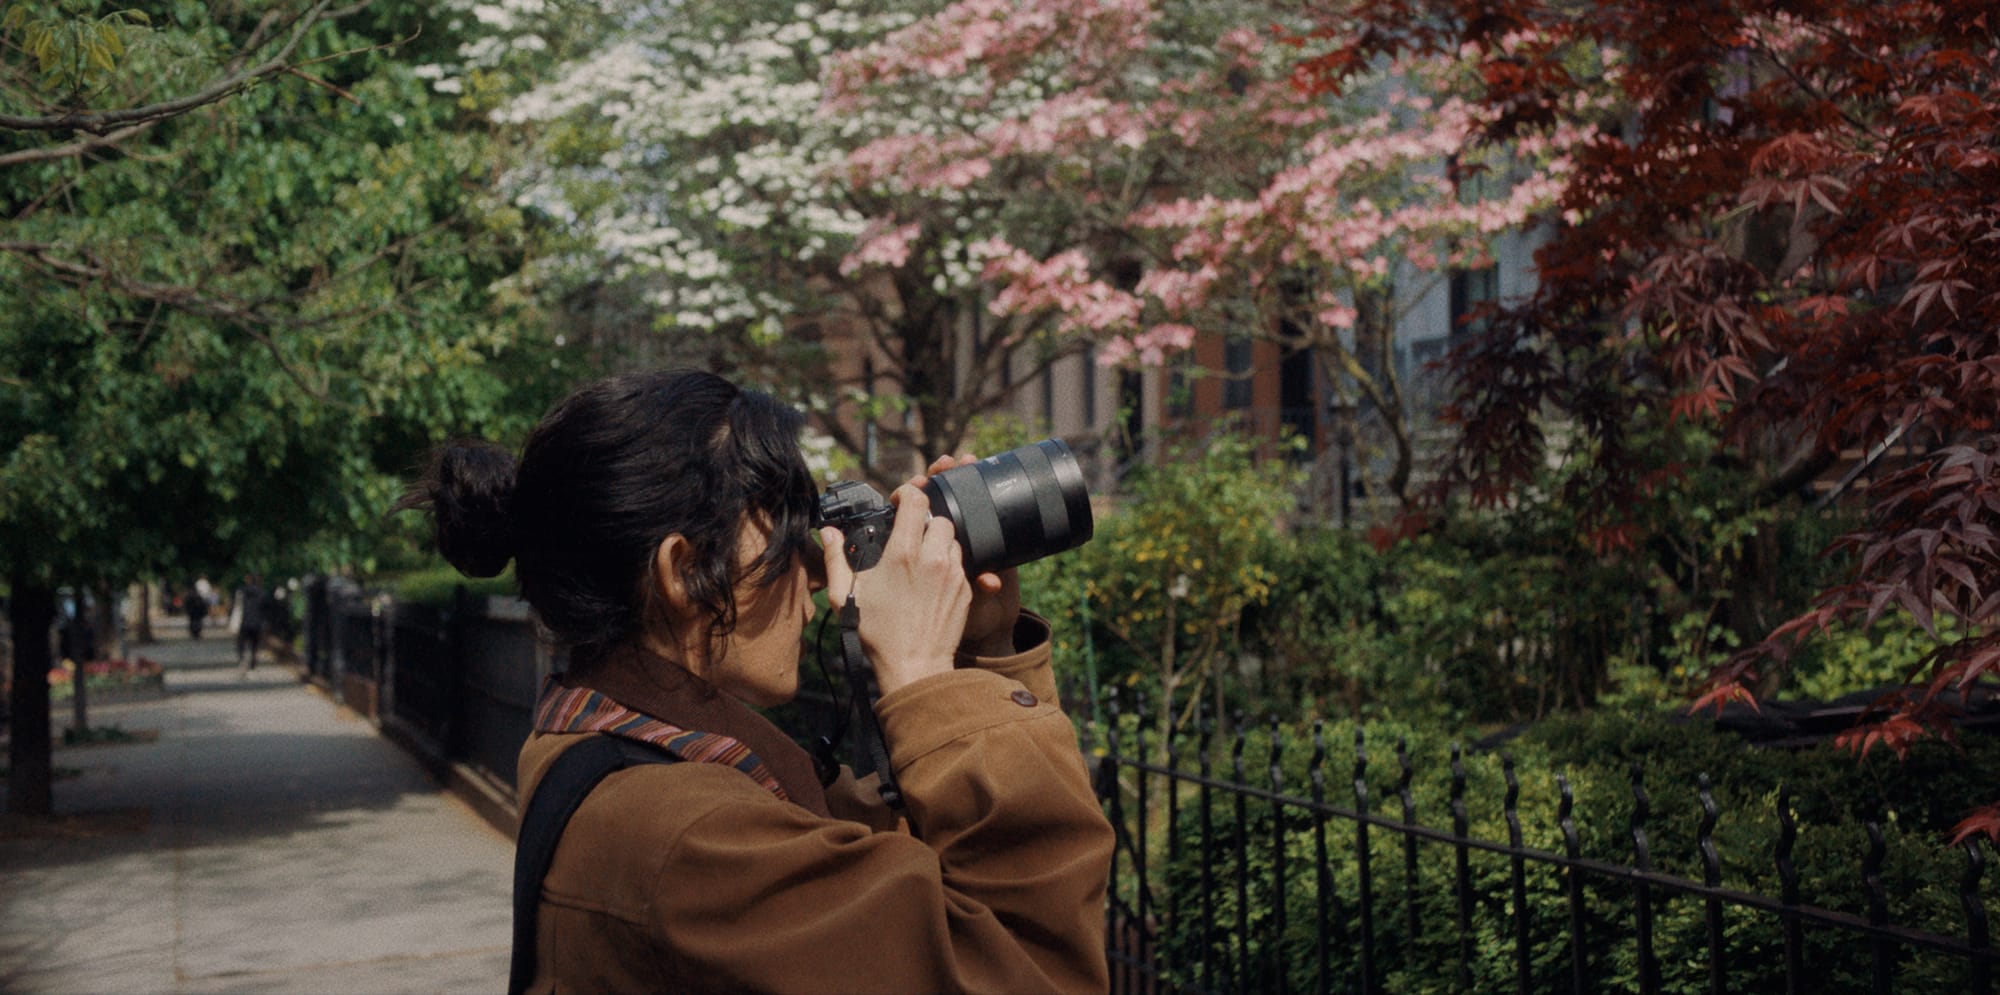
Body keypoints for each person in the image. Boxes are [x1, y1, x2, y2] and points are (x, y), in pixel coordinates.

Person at [399, 370, 1113, 993]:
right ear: (683, 573)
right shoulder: (688, 838)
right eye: (788, 541)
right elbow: (1033, 967)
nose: (813, 577)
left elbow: (892, 861)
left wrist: (979, 647)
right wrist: (925, 679)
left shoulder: (621, 744)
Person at [234, 574, 267, 673]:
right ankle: (253, 664)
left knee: (241, 643)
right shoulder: (262, 593)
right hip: (257, 623)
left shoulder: (241, 592)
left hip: (244, 622)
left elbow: (237, 607)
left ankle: (242, 659)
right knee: (255, 644)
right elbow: (266, 609)